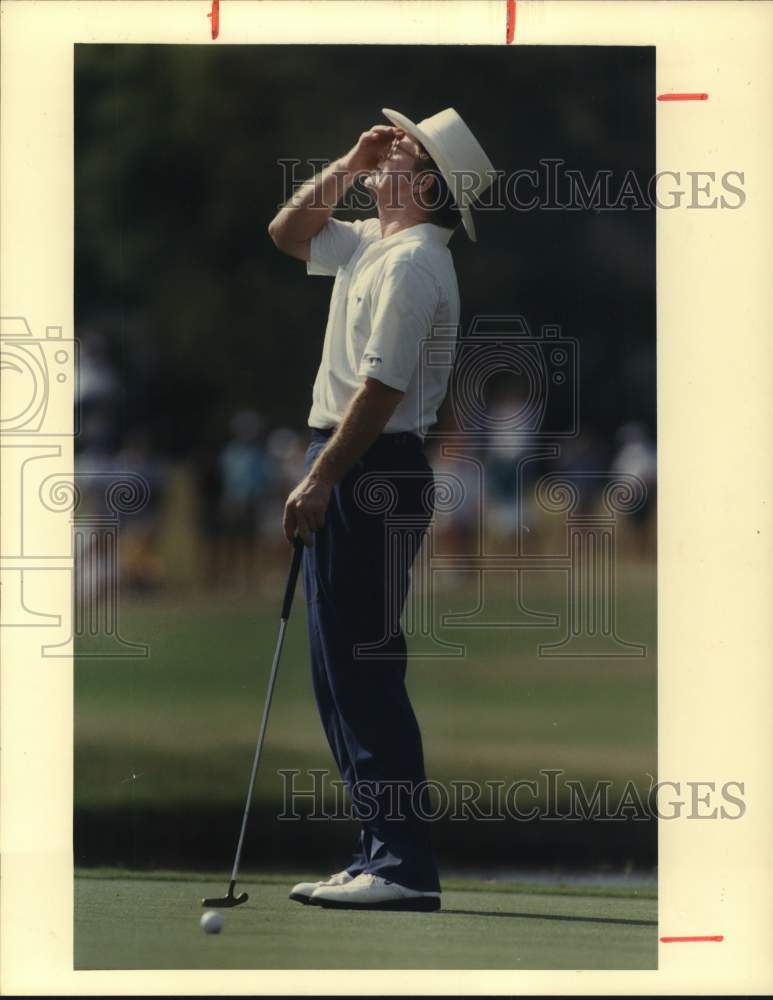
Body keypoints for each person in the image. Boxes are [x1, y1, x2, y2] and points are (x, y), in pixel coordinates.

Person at [268, 108, 494, 911]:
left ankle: (400, 866)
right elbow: (288, 231)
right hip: (361, 468)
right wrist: (349, 158)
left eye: (399, 149)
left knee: (361, 672)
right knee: (338, 672)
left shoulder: (411, 267)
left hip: (372, 473)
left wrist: (321, 477)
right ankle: (378, 852)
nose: (384, 148)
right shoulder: (372, 243)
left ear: (426, 182)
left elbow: (382, 390)